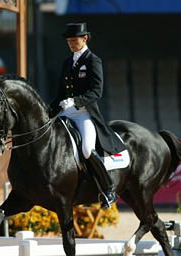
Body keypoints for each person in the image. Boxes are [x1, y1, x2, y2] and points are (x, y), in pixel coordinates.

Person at [49, 22, 126, 208]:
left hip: (84, 113)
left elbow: (96, 92)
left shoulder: (93, 60)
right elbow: (61, 92)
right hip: (65, 112)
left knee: (86, 149)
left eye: (74, 40)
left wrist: (75, 101)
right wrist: (50, 110)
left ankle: (108, 190)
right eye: (69, 40)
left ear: (85, 39)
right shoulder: (67, 62)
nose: (71, 43)